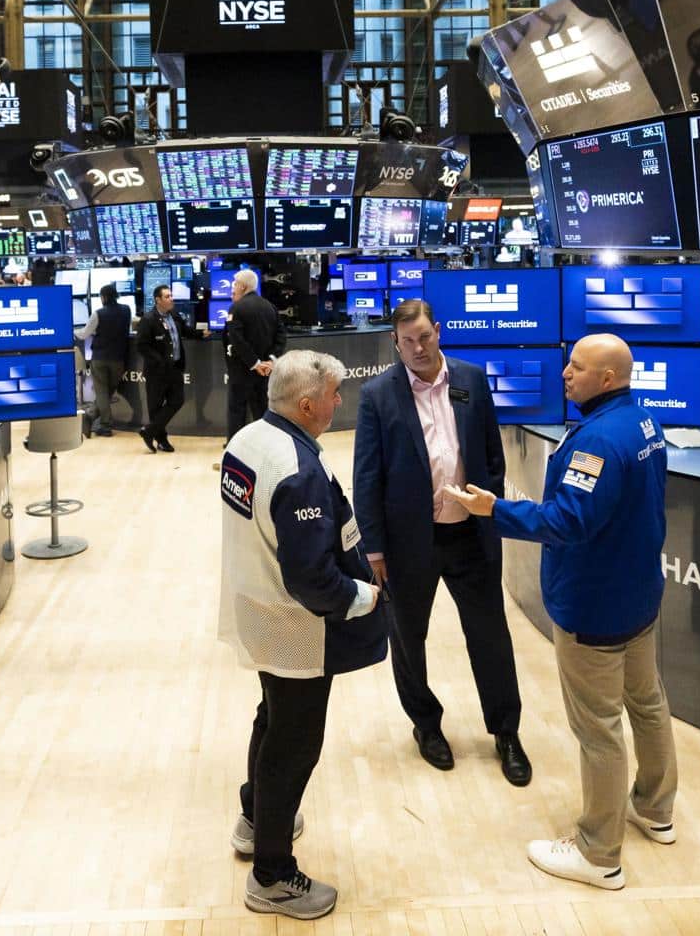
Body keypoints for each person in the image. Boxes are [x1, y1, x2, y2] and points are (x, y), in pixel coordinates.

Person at [445, 334, 678, 892]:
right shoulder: (644, 422)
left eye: (576, 367)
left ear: (607, 379)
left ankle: (600, 854)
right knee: (647, 703)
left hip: (593, 607)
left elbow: (568, 522)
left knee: (598, 731)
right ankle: (655, 808)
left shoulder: (596, 443)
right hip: (640, 596)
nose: (565, 373)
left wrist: (494, 509)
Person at [219, 350, 386, 920]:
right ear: (308, 404)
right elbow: (313, 578)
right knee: (293, 747)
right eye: (335, 395)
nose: (341, 402)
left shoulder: (246, 440)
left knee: (271, 720)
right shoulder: (299, 471)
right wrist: (361, 597)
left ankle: (254, 818)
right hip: (296, 627)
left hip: (258, 611)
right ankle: (272, 876)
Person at [352, 299, 528, 785]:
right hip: (410, 542)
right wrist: (374, 549)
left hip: (471, 535)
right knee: (409, 638)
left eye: (425, 337)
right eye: (407, 340)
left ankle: (506, 731)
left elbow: (493, 455)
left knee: (490, 636)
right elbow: (366, 478)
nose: (417, 348)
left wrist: (485, 505)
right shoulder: (377, 395)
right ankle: (426, 726)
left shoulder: (471, 380)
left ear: (439, 331)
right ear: (395, 341)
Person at [135, 283, 201, 453]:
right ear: (158, 300)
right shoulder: (148, 320)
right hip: (157, 371)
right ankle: (162, 440)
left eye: (171, 295)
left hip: (175, 368)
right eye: (167, 296)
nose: (171, 299)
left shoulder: (174, 315)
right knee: (155, 406)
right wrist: (158, 360)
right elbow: (141, 345)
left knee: (177, 400)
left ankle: (149, 431)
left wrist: (202, 333)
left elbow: (185, 331)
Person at [224, 269, 285, 439]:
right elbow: (281, 335)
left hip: (242, 372)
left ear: (243, 286)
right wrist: (270, 360)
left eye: (235, 284)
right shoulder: (270, 306)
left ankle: (235, 453)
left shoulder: (236, 308)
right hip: (265, 373)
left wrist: (255, 363)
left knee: (237, 412)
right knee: (262, 413)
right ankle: (264, 449)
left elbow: (237, 340)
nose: (232, 288)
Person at [80, 284, 136, 437]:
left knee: (102, 392)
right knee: (108, 391)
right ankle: (92, 417)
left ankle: (102, 423)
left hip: (100, 359)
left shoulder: (98, 314)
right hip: (118, 359)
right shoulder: (126, 310)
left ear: (103, 297)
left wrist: (73, 332)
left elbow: (85, 334)